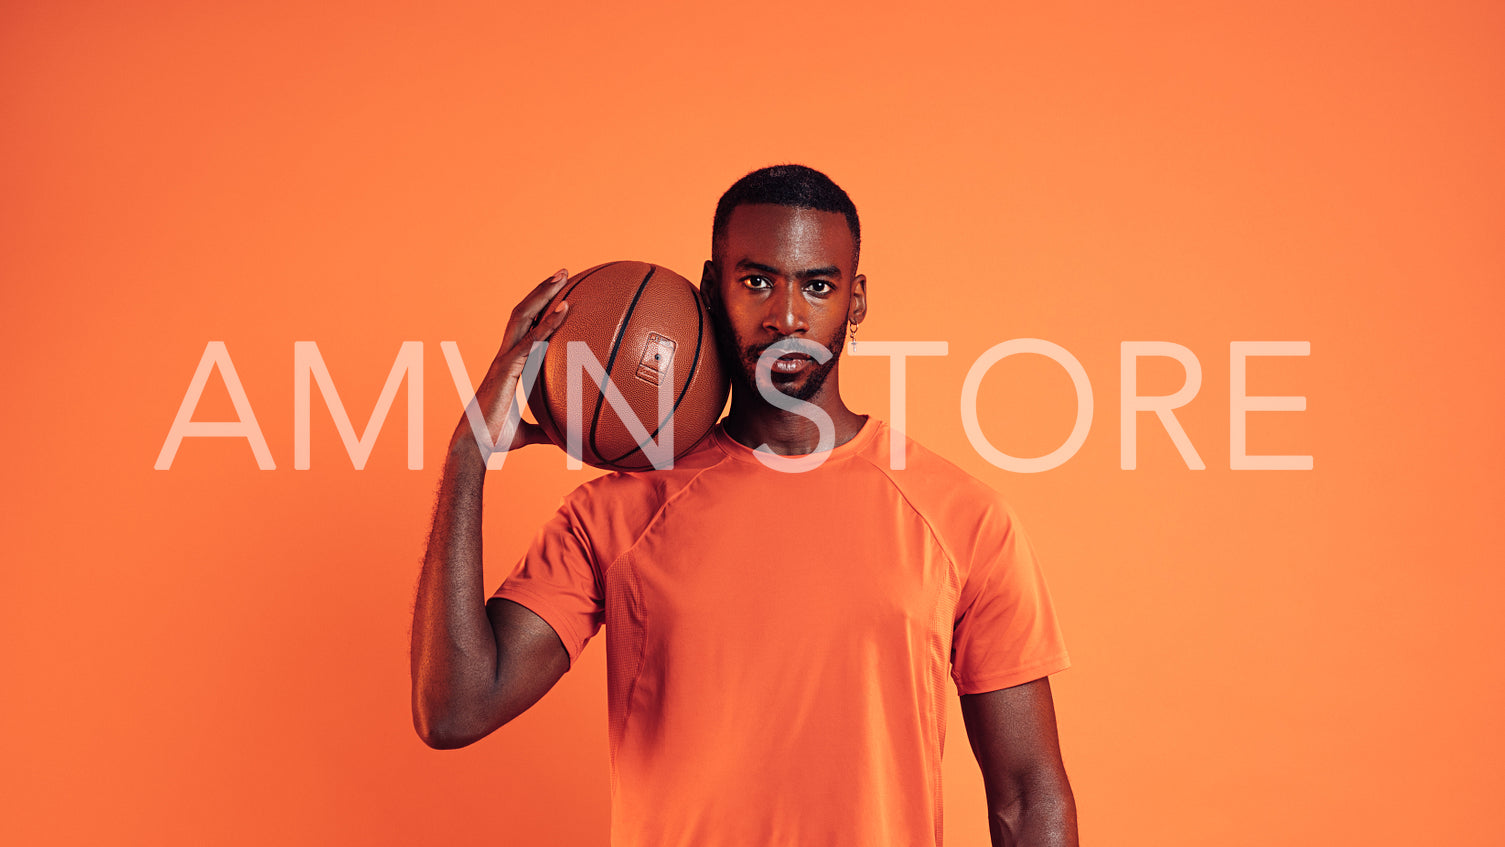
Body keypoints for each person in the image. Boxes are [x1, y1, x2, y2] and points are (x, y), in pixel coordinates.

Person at [411, 165, 1078, 846]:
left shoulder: (962, 517)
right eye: (756, 281)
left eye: (817, 285)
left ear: (856, 300)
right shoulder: (616, 512)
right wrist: (468, 458)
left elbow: (1027, 797)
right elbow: (454, 709)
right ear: (709, 287)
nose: (785, 316)